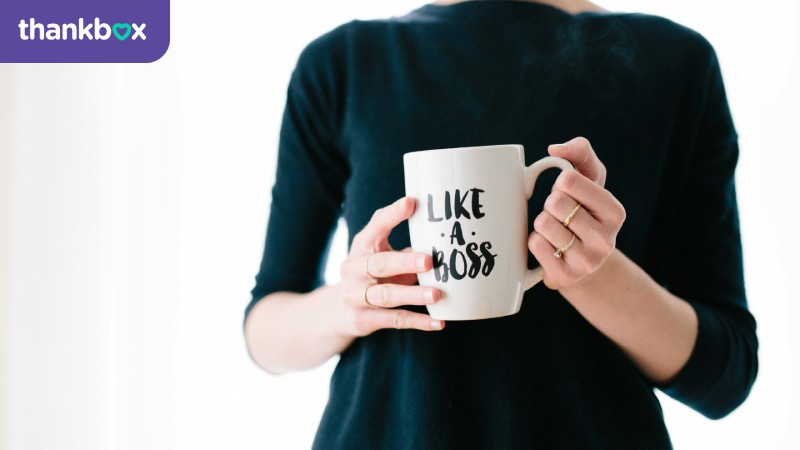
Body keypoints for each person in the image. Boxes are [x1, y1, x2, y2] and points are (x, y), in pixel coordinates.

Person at [243, 0, 758, 447]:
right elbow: (264, 329)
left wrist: (594, 275)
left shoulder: (674, 65)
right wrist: (349, 304)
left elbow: (724, 375)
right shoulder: (342, 65)